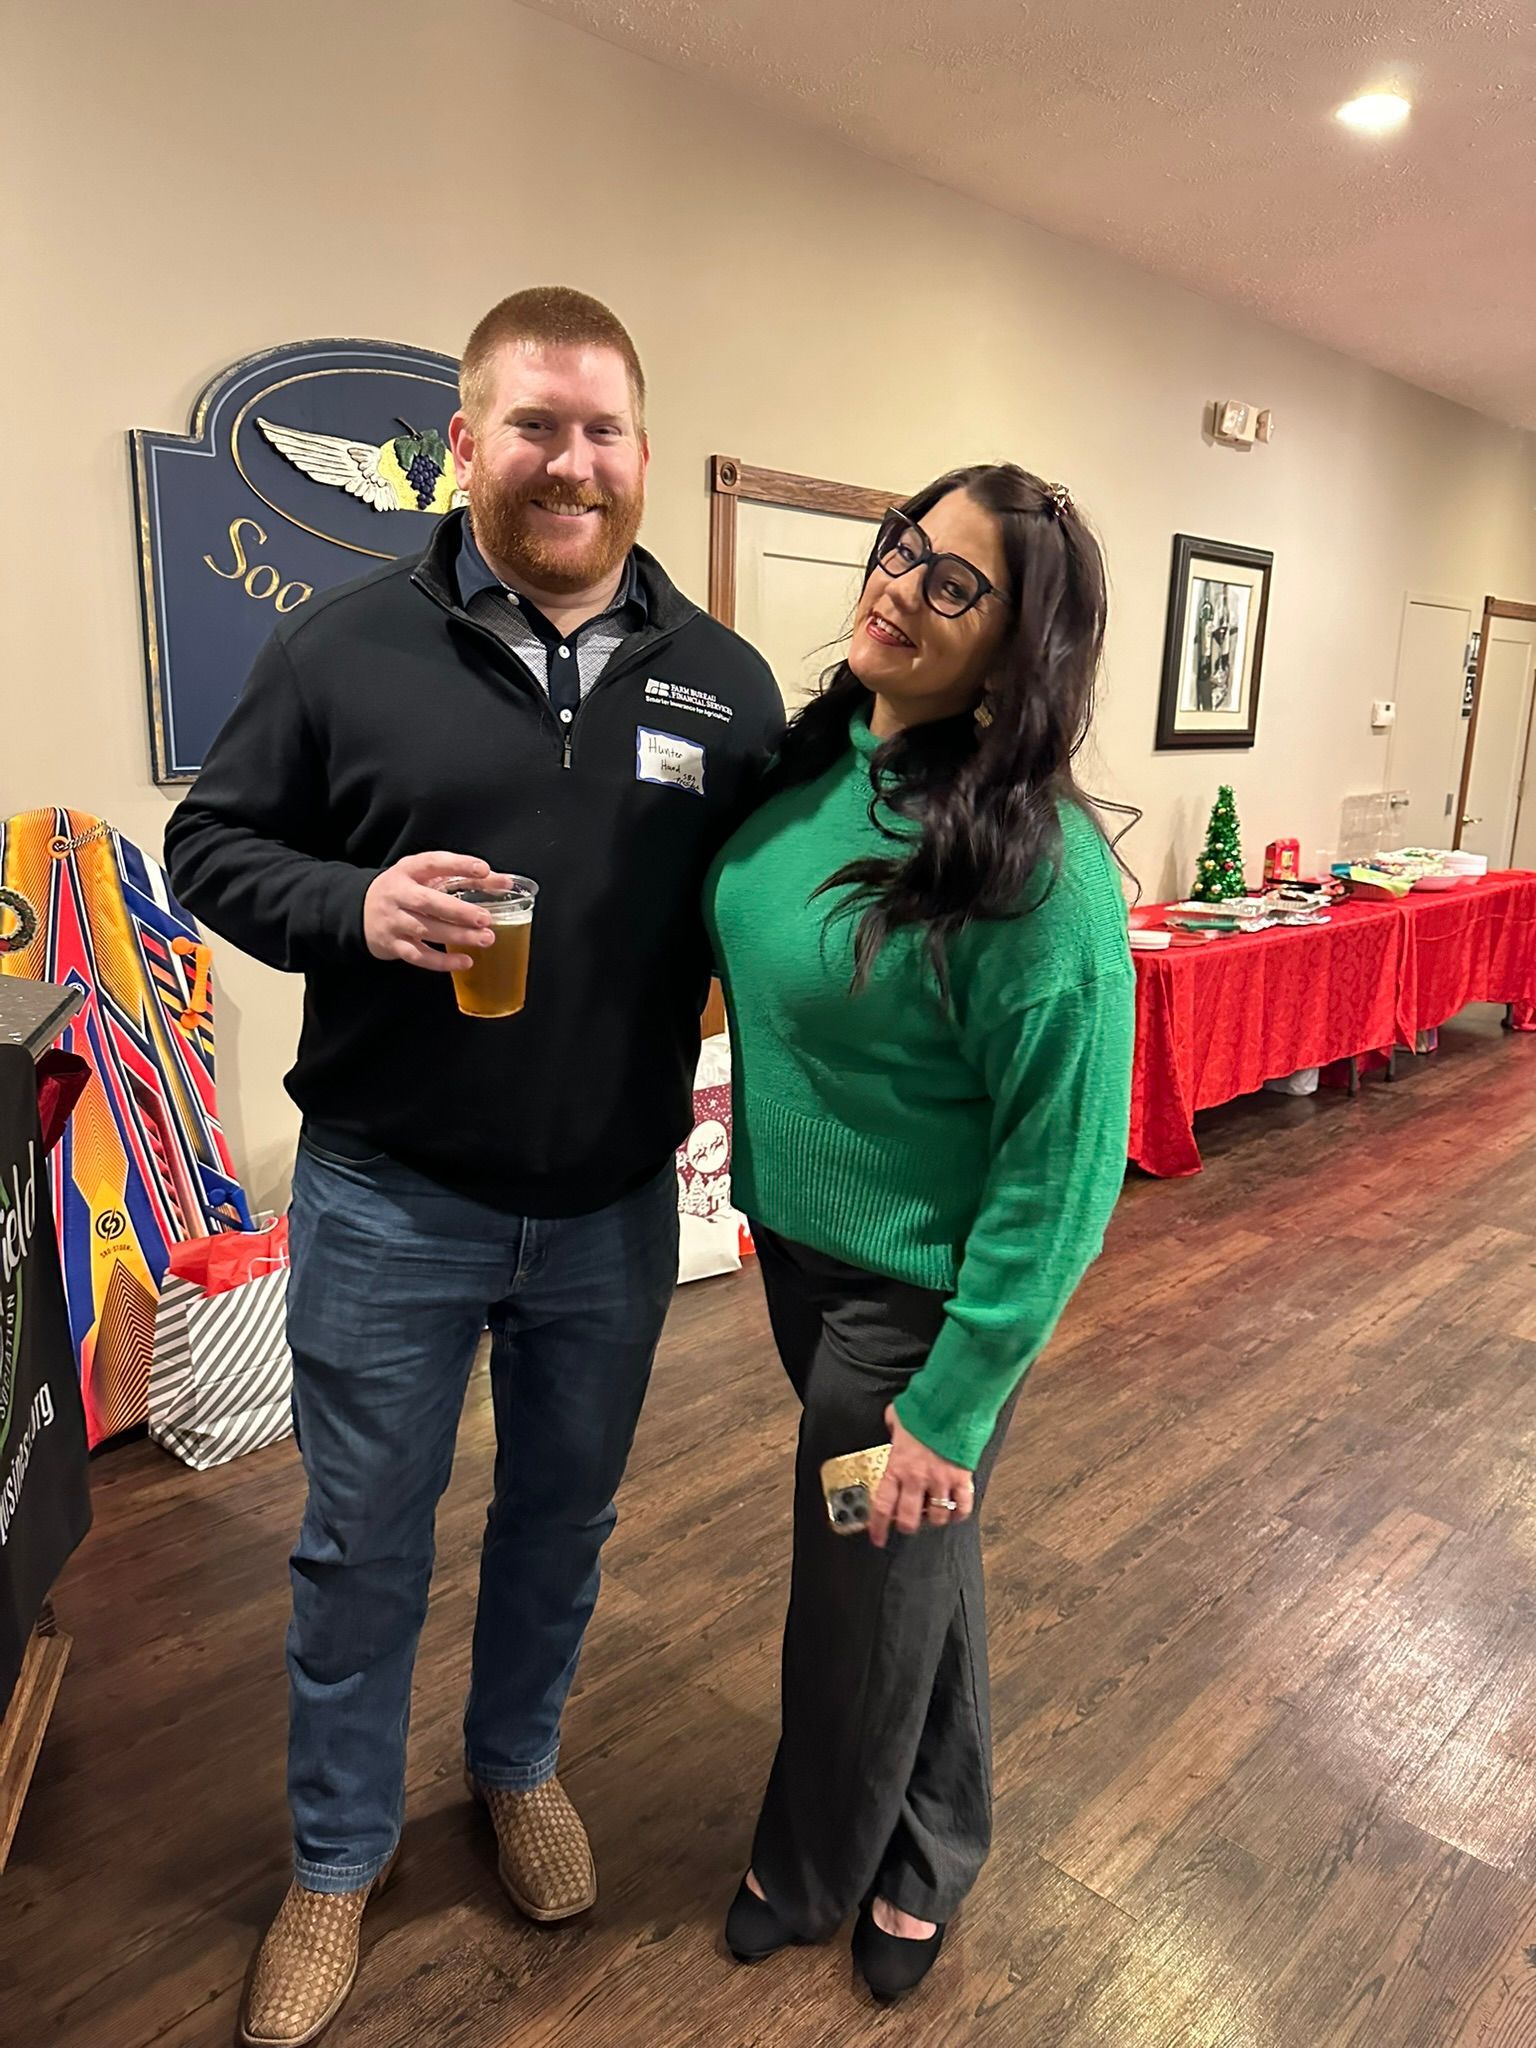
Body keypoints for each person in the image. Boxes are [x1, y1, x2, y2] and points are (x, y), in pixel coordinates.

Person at [165, 286, 783, 2048]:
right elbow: (208, 846)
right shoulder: (343, 645)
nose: (569, 461)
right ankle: (337, 1862)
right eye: (533, 425)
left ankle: (514, 1766)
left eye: (601, 429)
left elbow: (783, 904)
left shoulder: (723, 686)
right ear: (463, 446)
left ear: (644, 455)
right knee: (360, 1543)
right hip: (389, 1195)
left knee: (559, 1525)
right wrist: (350, 907)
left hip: (610, 1208)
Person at [704, 463, 1134, 2004]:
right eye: (904, 548)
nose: (899, 585)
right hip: (802, 1263)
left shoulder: (1043, 872)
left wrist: (953, 1404)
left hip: (922, 1302)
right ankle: (941, 1842)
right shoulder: (817, 765)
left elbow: (1065, 1171)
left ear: (1019, 655)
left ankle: (811, 1869)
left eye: (956, 584)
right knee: (910, 1575)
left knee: (855, 1592)